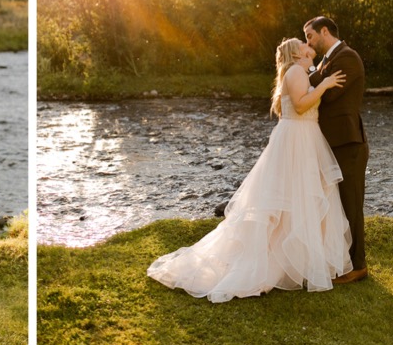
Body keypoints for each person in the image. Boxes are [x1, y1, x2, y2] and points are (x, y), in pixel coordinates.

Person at [147, 38, 353, 302]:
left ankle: (301, 260)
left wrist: (320, 81)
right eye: (302, 44)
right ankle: (277, 261)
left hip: (302, 137)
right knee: (292, 199)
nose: (306, 44)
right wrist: (323, 85)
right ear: (296, 53)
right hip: (298, 140)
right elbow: (301, 105)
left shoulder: (301, 72)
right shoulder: (295, 72)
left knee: (300, 198)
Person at [304, 15, 369, 283]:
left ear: (325, 31)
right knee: (337, 205)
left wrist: (310, 72)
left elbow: (328, 93)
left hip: (348, 143)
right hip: (333, 143)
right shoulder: (327, 61)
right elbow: (319, 82)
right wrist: (315, 72)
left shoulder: (347, 57)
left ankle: (358, 266)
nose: (308, 42)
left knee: (351, 204)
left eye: (309, 36)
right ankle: (340, 259)